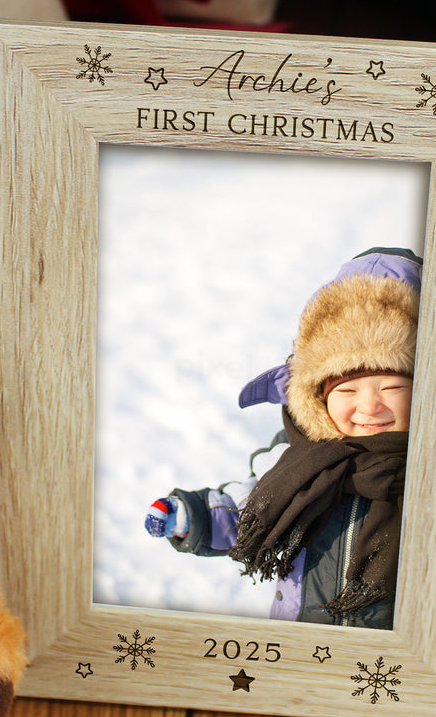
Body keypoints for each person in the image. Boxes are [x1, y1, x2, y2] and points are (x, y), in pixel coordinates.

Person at [144, 247, 421, 628]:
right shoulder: (300, 458)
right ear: (317, 395)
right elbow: (253, 505)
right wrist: (194, 516)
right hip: (301, 640)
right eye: (347, 390)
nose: (369, 406)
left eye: (391, 387)